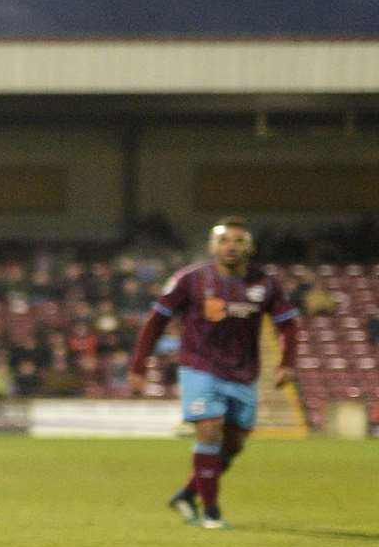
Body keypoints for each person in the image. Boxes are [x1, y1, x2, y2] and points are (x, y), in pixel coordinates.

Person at [129, 218, 300, 529]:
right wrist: (139, 365)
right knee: (210, 430)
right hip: (200, 367)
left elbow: (287, 323)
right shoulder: (190, 280)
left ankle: (186, 494)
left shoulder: (266, 283)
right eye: (224, 240)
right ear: (212, 247)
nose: (230, 246)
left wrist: (287, 361)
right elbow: (155, 321)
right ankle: (211, 512)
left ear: (250, 247)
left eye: (238, 240)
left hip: (244, 372)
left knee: (234, 444)